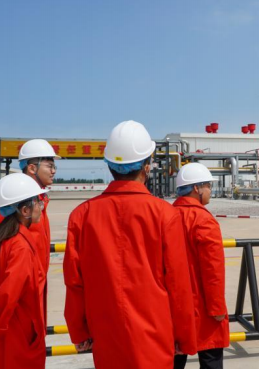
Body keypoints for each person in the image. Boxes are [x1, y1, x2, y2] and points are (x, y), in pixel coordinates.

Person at [63, 120, 197, 369]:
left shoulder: (81, 215)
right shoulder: (165, 215)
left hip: (106, 334)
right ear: (147, 166)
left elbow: (74, 281)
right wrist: (185, 336)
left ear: (109, 165)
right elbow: (178, 284)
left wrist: (78, 331)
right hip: (154, 337)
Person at [0, 173, 49, 368]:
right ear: (25, 210)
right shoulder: (20, 245)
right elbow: (9, 293)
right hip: (13, 330)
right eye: (38, 202)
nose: (41, 207)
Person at [0, 139, 59, 328]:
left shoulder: (38, 202)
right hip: (17, 304)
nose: (54, 171)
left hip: (32, 292)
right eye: (49, 166)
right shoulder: (16, 206)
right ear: (32, 168)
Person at [173, 163, 229, 369]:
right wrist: (217, 308)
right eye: (208, 186)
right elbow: (213, 269)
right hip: (202, 308)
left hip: (172, 307)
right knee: (210, 360)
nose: (210, 191)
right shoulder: (204, 219)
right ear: (197, 188)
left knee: (172, 360)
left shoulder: (165, 215)